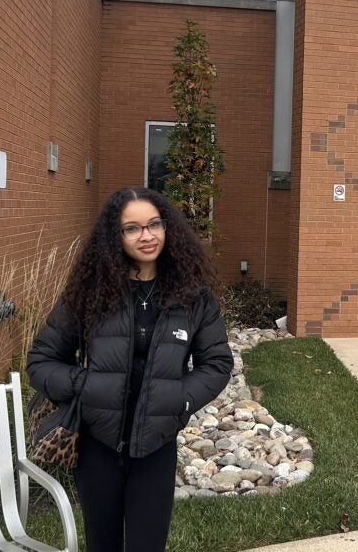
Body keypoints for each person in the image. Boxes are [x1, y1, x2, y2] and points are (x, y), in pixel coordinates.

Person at [27, 186, 233, 551]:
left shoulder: (192, 295)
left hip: (156, 443)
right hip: (97, 444)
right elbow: (42, 360)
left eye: (154, 224)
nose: (147, 236)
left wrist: (180, 398)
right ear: (115, 236)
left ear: (168, 228)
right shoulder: (91, 292)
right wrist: (84, 384)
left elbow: (216, 364)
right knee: (102, 544)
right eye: (132, 228)